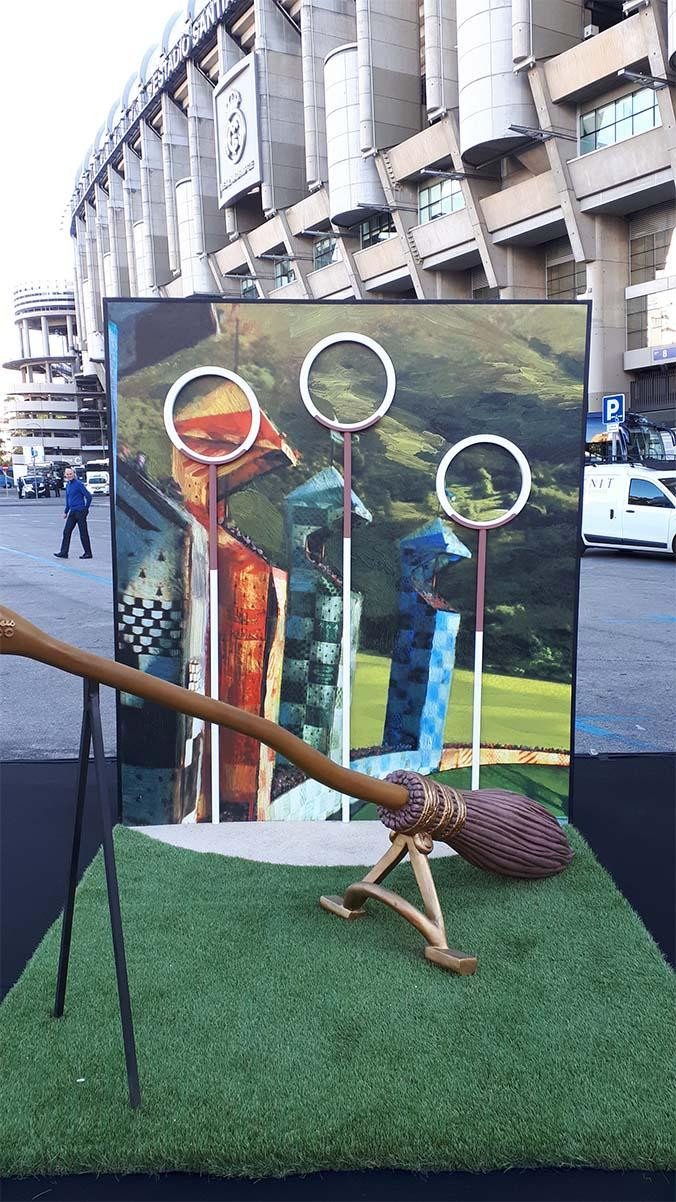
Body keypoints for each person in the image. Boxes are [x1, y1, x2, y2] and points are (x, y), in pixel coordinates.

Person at [54, 467, 93, 559]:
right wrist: (66, 511)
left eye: (70, 474)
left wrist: (85, 509)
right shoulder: (68, 485)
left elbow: (89, 497)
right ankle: (64, 552)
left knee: (83, 533)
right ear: (65, 475)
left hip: (80, 511)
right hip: (72, 512)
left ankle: (88, 553)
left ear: (74, 474)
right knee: (66, 532)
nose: (69, 476)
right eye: (67, 474)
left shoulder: (79, 484)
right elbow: (68, 500)